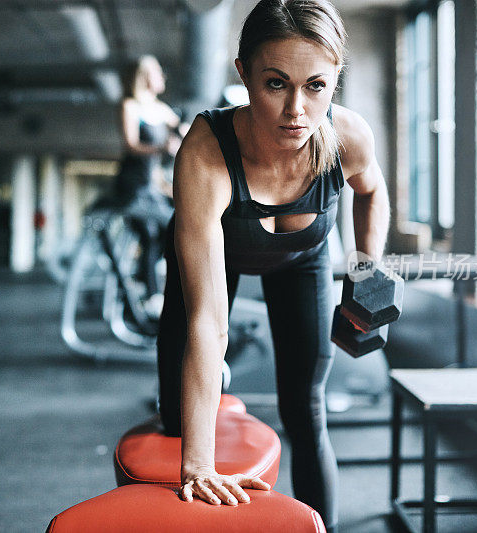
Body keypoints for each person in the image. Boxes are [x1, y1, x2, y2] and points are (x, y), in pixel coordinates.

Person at [155, 1, 390, 531]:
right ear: (243, 73)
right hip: (212, 265)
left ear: (335, 80)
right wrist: (199, 464)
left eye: (316, 86)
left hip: (301, 263)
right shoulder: (206, 155)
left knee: (306, 413)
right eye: (276, 84)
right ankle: (210, 386)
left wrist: (367, 276)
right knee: (178, 419)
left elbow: (372, 192)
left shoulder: (348, 138)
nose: (296, 111)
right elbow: (208, 321)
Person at [115, 55, 186, 301]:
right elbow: (131, 145)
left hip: (153, 186)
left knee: (160, 237)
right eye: (158, 72)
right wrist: (162, 148)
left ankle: (147, 289)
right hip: (134, 186)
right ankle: (151, 295)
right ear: (145, 77)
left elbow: (186, 131)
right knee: (160, 231)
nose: (162, 77)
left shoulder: (162, 110)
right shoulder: (130, 106)